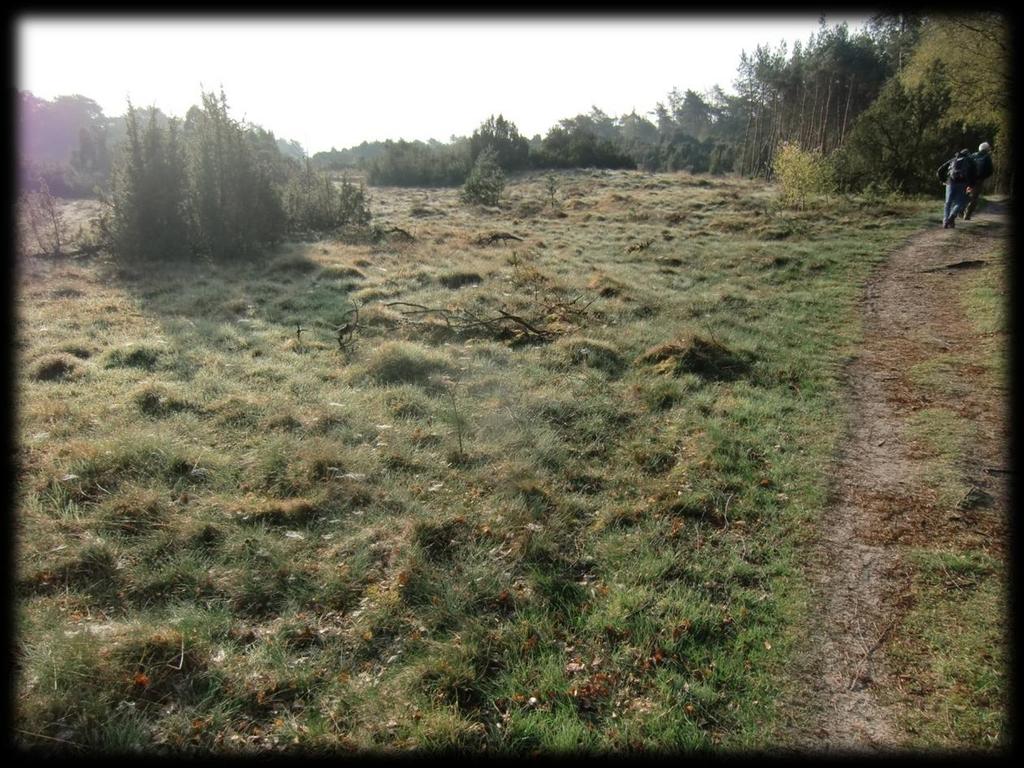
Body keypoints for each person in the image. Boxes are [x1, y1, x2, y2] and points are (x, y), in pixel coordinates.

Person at [936, 148, 973, 228]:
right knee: (960, 202)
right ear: (968, 155)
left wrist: (943, 180)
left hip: (950, 182)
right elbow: (974, 173)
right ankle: (952, 216)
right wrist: (971, 185)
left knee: (948, 202)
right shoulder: (969, 161)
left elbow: (939, 170)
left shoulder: (953, 160)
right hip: (963, 183)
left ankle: (946, 221)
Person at [962, 142, 994, 220]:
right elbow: (990, 170)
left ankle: (960, 210)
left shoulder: (973, 155)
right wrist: (983, 177)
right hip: (978, 181)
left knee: (965, 195)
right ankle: (967, 214)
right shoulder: (987, 157)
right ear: (987, 149)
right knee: (974, 198)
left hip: (968, 179)